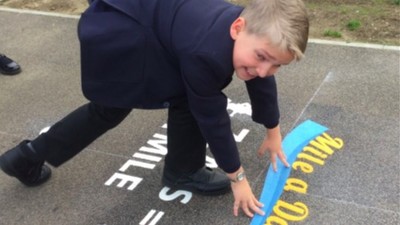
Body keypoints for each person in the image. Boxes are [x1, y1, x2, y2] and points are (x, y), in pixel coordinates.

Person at [0, 0, 309, 218]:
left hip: (152, 24)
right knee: (108, 111)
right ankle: (26, 158)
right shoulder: (207, 52)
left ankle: (182, 170)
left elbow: (261, 80)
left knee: (186, 94)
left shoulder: (248, 32)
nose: (265, 69)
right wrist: (237, 178)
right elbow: (212, 117)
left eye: (277, 65)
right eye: (261, 57)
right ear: (238, 27)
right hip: (123, 32)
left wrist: (273, 131)